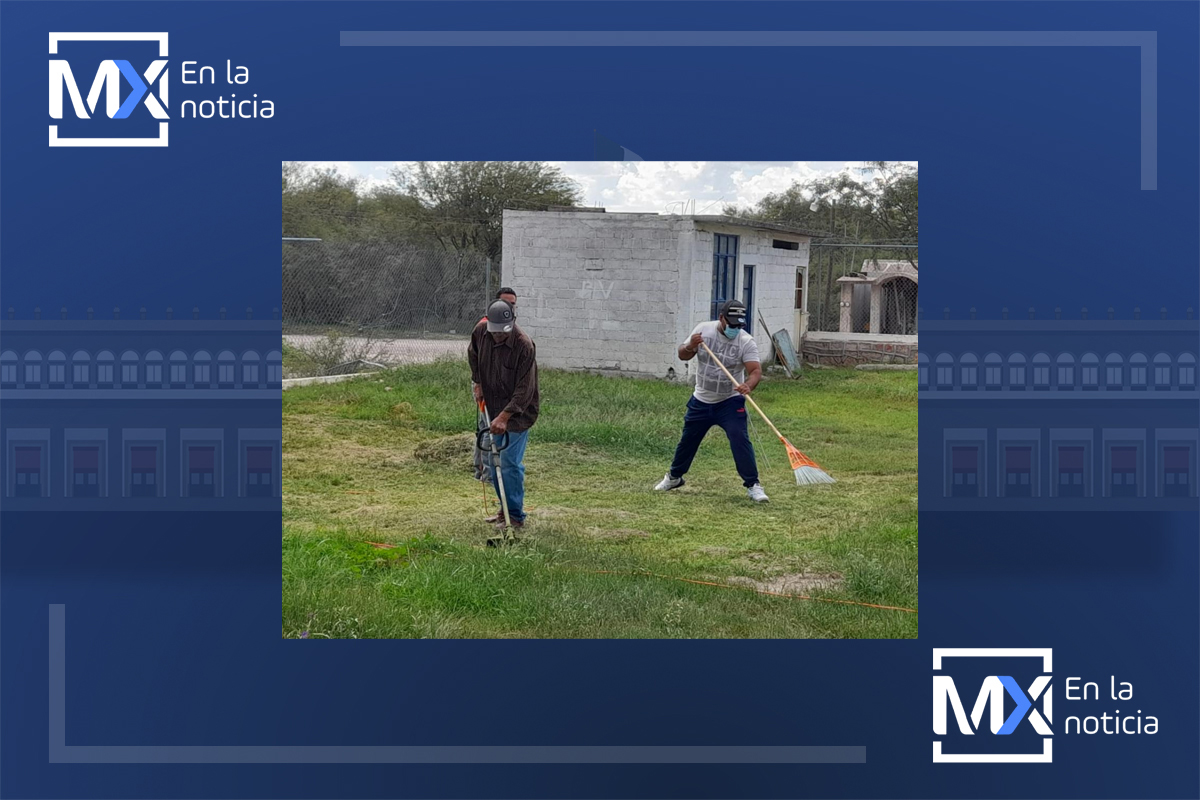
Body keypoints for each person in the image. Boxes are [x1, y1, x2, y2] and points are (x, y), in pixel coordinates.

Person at [654, 299, 768, 502]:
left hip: (730, 401)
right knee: (688, 440)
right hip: (702, 399)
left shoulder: (745, 341)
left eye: (739, 325)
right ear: (722, 318)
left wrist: (748, 385)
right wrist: (691, 345)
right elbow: (682, 355)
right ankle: (674, 477)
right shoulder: (704, 331)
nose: (735, 329)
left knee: (739, 439)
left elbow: (755, 371)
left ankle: (753, 485)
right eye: (732, 324)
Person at [467, 298, 539, 528]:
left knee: (508, 463)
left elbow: (524, 389)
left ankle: (515, 516)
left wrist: (505, 416)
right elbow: (473, 355)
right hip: (492, 406)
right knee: (492, 458)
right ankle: (504, 510)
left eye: (502, 334)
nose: (498, 337)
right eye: (495, 333)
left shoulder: (524, 345)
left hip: (517, 414)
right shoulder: (481, 331)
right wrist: (477, 382)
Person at [471, 288, 517, 481]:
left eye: (513, 304)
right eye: (506, 303)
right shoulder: (484, 327)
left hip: (500, 387)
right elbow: (473, 355)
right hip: (485, 385)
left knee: (490, 426)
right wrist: (478, 383)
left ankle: (486, 470)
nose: (510, 307)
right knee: (487, 427)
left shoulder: (510, 327)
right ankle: (486, 473)